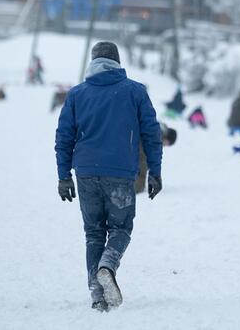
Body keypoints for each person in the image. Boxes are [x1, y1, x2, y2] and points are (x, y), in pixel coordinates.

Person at [55, 41, 163, 312]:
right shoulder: (135, 92)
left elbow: (64, 137)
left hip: (86, 173)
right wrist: (155, 172)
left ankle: (97, 295)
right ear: (117, 61)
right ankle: (107, 266)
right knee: (121, 228)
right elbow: (152, 134)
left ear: (93, 62)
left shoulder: (77, 94)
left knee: (93, 234)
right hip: (120, 174)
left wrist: (63, 175)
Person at [135, 124, 177, 194]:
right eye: (168, 144)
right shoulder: (156, 137)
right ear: (167, 139)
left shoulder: (155, 126)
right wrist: (139, 187)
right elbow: (143, 162)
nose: (165, 146)